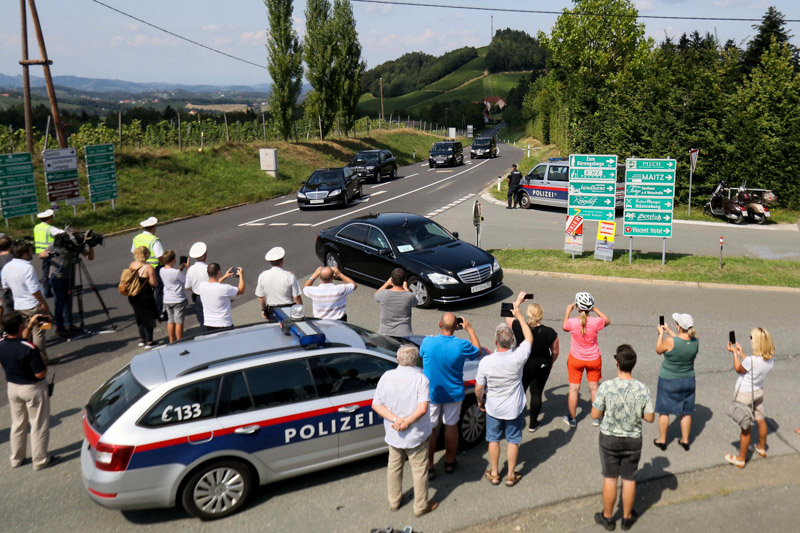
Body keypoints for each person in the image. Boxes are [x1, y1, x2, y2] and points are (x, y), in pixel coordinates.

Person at [591, 345, 655, 531]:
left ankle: (608, 517)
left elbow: (595, 414)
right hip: (632, 439)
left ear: (617, 363)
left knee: (610, 478)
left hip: (609, 438)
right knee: (629, 478)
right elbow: (650, 417)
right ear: (633, 365)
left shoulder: (606, 387)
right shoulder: (642, 389)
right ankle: (627, 518)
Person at [372, 344, 438, 517]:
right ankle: (420, 506)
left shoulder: (387, 376)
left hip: (394, 433)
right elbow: (423, 408)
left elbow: (376, 404)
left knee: (393, 468)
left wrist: (396, 420)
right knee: (419, 471)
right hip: (416, 435)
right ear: (416, 360)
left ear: (398, 359)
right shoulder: (421, 379)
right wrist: (407, 422)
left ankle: (394, 501)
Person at [476, 297, 532, 487]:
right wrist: (520, 316)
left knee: (493, 439)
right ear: (512, 342)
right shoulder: (518, 357)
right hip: (514, 407)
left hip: (493, 407)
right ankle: (510, 475)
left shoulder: (486, 362)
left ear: (495, 341)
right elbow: (529, 338)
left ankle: (494, 473)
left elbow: (479, 387)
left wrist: (480, 401)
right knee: (513, 440)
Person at [421, 312, 481, 479]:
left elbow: (420, 356)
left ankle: (430, 466)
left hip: (432, 393)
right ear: (456, 327)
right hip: (453, 394)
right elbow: (478, 351)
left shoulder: (428, 342)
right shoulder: (461, 345)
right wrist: (469, 328)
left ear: (440, 324)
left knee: (431, 428)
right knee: (451, 426)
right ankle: (449, 461)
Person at [0, 311, 61, 470]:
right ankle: (40, 460)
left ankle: (16, 458)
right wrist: (42, 359)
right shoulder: (30, 348)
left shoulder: (2, 344)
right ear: (20, 326)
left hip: (12, 387)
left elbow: (20, 340)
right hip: (32, 388)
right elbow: (40, 373)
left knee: (17, 424)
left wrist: (29, 325)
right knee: (38, 424)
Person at [507, 293, 559, 432]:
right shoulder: (549, 332)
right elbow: (555, 352)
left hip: (523, 365)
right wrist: (551, 362)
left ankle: (516, 417)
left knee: (520, 391)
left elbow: (508, 316)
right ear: (541, 315)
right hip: (542, 366)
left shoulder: (518, 326)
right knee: (536, 393)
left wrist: (518, 301)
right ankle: (533, 424)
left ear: (527, 314)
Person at [724, 327, 775, 469]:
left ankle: (741, 458)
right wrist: (743, 354)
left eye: (752, 338)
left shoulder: (752, 360)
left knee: (745, 428)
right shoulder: (770, 358)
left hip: (745, 394)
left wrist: (735, 354)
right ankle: (761, 447)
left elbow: (739, 369)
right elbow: (753, 366)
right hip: (758, 391)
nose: (751, 340)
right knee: (760, 419)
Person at [562, 292, 610, 428]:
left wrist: (567, 311)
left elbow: (564, 326)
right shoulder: (596, 322)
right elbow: (607, 321)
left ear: (578, 307)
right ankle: (596, 418)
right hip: (594, 359)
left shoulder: (572, 322)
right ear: (590, 307)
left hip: (576, 359)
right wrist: (595, 309)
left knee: (574, 389)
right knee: (594, 388)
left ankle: (572, 418)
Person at [653, 312, 699, 451]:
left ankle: (662, 440)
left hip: (669, 380)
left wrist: (661, 333)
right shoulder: (695, 341)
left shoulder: (669, 341)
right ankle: (685, 440)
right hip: (688, 380)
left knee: (664, 410)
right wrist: (669, 331)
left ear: (679, 326)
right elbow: (681, 341)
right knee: (686, 411)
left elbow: (659, 350)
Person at [2, 242, 50, 363]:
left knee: (25, 331)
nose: (32, 254)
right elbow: (34, 289)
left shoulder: (7, 267)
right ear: (24, 254)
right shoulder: (28, 267)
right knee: (40, 332)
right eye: (30, 252)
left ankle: (26, 356)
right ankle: (41, 358)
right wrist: (43, 302)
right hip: (35, 304)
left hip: (19, 305)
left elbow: (6, 286)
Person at [47, 232, 95, 338]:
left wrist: (91, 246)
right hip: (57, 277)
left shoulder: (74, 245)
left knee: (68, 301)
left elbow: (90, 257)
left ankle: (68, 324)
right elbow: (42, 254)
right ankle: (59, 327)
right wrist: (50, 255)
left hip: (69, 276)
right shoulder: (55, 244)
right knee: (60, 302)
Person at [255, 246, 302, 322]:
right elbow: (296, 297)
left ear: (270, 262)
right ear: (282, 261)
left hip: (273, 310)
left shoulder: (262, 276)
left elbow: (261, 297)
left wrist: (263, 309)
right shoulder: (289, 276)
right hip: (289, 309)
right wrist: (300, 311)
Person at [131, 217, 165, 319]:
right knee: (158, 289)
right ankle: (159, 312)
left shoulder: (136, 238)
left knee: (143, 290)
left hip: (140, 268)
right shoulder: (154, 240)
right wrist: (165, 264)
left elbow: (133, 251)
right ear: (153, 228)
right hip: (154, 268)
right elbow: (159, 256)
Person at [196, 263, 244, 331]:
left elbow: (214, 284)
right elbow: (241, 290)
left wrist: (225, 276)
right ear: (218, 272)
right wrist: (241, 275)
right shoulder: (225, 288)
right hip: (224, 324)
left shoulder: (202, 286)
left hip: (208, 324)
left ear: (208, 272)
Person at [127, 246, 159, 348]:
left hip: (133, 295)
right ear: (145, 255)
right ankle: (150, 341)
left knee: (139, 316)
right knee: (149, 317)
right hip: (145, 295)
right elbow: (153, 283)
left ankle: (142, 339)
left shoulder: (132, 265)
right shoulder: (148, 267)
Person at [374, 268, 416, 338]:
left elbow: (376, 296)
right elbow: (415, 302)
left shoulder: (383, 294)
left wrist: (387, 283)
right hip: (404, 334)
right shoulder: (409, 296)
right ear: (404, 280)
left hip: (385, 332)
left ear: (392, 279)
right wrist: (405, 288)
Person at [33, 209, 64, 298]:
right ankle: (51, 290)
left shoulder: (37, 227)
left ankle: (46, 290)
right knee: (54, 272)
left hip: (41, 253)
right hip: (50, 253)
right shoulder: (50, 229)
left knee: (45, 272)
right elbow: (61, 233)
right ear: (49, 219)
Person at [159, 250, 188, 343]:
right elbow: (185, 281)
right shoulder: (176, 272)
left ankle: (172, 340)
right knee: (179, 322)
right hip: (178, 299)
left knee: (171, 321)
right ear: (173, 260)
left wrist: (180, 269)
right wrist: (188, 268)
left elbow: (173, 276)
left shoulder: (161, 270)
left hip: (167, 299)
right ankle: (180, 340)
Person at [184, 242, 209, 333]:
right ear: (205, 255)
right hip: (208, 297)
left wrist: (195, 289)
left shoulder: (190, 269)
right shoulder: (208, 268)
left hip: (198, 297)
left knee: (202, 321)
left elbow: (187, 286)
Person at [0, 234, 15, 325]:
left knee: (8, 313)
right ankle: (41, 332)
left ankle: (8, 330)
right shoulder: (15, 259)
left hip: (3, 291)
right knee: (40, 313)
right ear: (10, 246)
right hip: (17, 291)